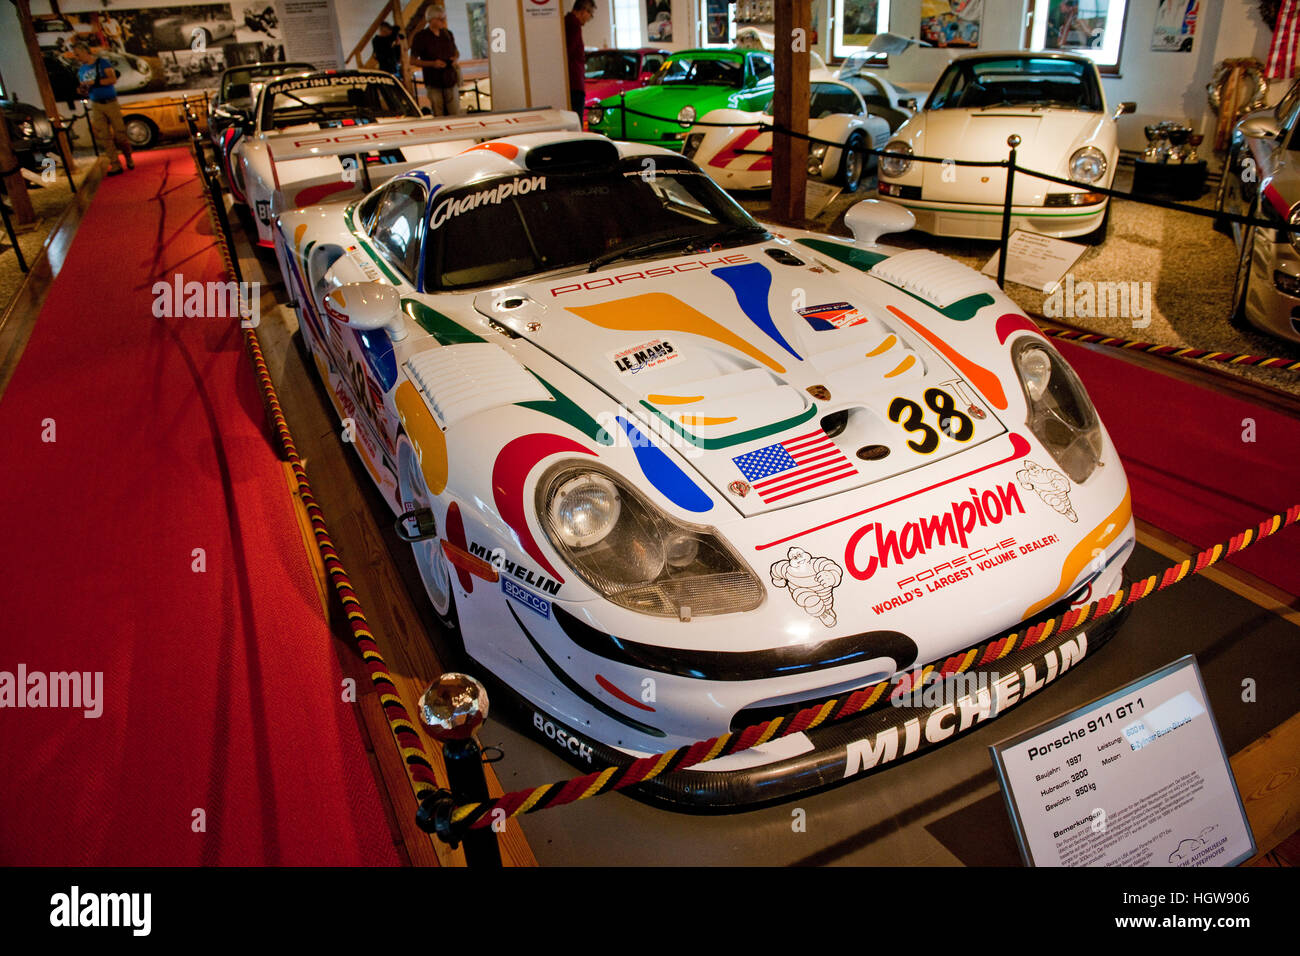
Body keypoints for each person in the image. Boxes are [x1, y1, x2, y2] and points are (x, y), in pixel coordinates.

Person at [71, 42, 133, 175]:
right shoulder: (82, 70)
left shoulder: (102, 63)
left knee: (120, 134)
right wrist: (82, 90)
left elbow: (112, 79)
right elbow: (84, 87)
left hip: (110, 102)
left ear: (85, 51)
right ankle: (115, 163)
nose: (76, 57)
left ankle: (128, 157)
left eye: (78, 54)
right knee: (104, 136)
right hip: (96, 103)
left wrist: (93, 82)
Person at [409, 5, 460, 116]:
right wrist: (433, 64)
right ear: (432, 19)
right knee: (439, 113)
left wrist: (455, 59)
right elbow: (412, 60)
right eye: (440, 19)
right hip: (434, 82)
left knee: (455, 113)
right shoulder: (421, 37)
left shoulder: (447, 34)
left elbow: (456, 51)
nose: (443, 21)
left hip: (450, 79)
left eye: (444, 18)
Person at [565, 0, 597, 116]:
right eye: (590, 14)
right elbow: (570, 52)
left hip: (572, 82)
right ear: (584, 11)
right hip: (575, 82)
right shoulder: (574, 24)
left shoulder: (567, 21)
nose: (589, 18)